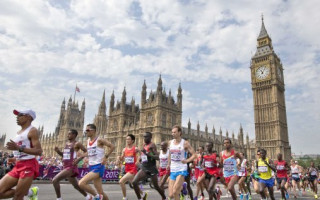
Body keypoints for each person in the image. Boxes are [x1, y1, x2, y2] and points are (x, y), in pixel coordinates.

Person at [0, 109, 42, 200]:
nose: (17, 117)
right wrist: (15, 159)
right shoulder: (18, 133)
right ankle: (30, 192)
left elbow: (39, 151)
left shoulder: (32, 131)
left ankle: (24, 192)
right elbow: (22, 152)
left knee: (18, 197)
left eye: (20, 115)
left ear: (28, 117)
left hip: (28, 166)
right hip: (18, 165)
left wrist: (18, 148)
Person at [79, 124, 115, 200]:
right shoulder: (88, 141)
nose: (86, 132)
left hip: (98, 166)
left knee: (81, 183)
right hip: (91, 166)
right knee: (100, 191)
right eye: (86, 130)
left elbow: (112, 146)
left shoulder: (100, 140)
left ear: (93, 131)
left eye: (88, 130)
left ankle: (96, 197)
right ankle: (99, 196)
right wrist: (81, 156)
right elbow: (89, 152)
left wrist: (105, 157)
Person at [52, 129, 89, 200]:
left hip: (71, 167)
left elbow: (86, 152)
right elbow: (64, 155)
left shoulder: (77, 143)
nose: (67, 135)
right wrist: (58, 151)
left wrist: (79, 159)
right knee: (76, 186)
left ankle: (59, 198)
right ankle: (88, 197)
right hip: (65, 166)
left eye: (69, 134)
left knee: (55, 180)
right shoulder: (67, 144)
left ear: (74, 135)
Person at [132, 132, 167, 200]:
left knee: (156, 186)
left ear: (150, 137)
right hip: (144, 167)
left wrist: (149, 154)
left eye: (146, 137)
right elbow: (143, 154)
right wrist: (139, 159)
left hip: (151, 168)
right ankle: (140, 198)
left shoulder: (152, 145)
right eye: (144, 137)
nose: (145, 138)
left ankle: (164, 197)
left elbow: (157, 157)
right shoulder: (144, 144)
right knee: (134, 182)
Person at [167, 125, 196, 200]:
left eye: (175, 132)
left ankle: (182, 186)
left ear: (179, 133)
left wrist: (187, 160)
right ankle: (183, 186)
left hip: (181, 169)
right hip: (173, 169)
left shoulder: (185, 143)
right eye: (172, 132)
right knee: (171, 195)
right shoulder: (170, 142)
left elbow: (194, 155)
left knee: (175, 191)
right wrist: (168, 164)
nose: (173, 134)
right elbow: (170, 154)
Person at [118, 134, 144, 200]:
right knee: (134, 184)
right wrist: (119, 158)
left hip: (133, 169)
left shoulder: (135, 148)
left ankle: (125, 197)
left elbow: (141, 153)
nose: (127, 140)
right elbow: (122, 158)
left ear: (132, 141)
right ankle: (143, 194)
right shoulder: (124, 149)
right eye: (126, 139)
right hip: (127, 169)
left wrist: (138, 160)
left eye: (129, 139)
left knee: (121, 181)